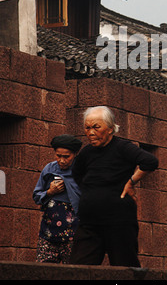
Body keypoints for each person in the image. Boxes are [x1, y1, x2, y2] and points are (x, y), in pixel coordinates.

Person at [69, 106, 158, 267]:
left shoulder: (123, 147)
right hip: (89, 222)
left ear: (110, 129)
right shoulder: (87, 152)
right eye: (87, 128)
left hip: (119, 221)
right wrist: (92, 193)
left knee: (124, 267)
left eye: (96, 127)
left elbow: (150, 162)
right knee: (78, 269)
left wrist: (131, 182)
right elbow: (77, 173)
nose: (91, 132)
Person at [33, 134, 82, 263]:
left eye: (66, 157)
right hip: (48, 233)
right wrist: (49, 192)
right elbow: (36, 196)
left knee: (73, 272)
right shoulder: (49, 169)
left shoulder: (81, 171)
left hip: (73, 234)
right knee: (44, 271)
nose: (62, 160)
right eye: (58, 156)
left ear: (75, 154)